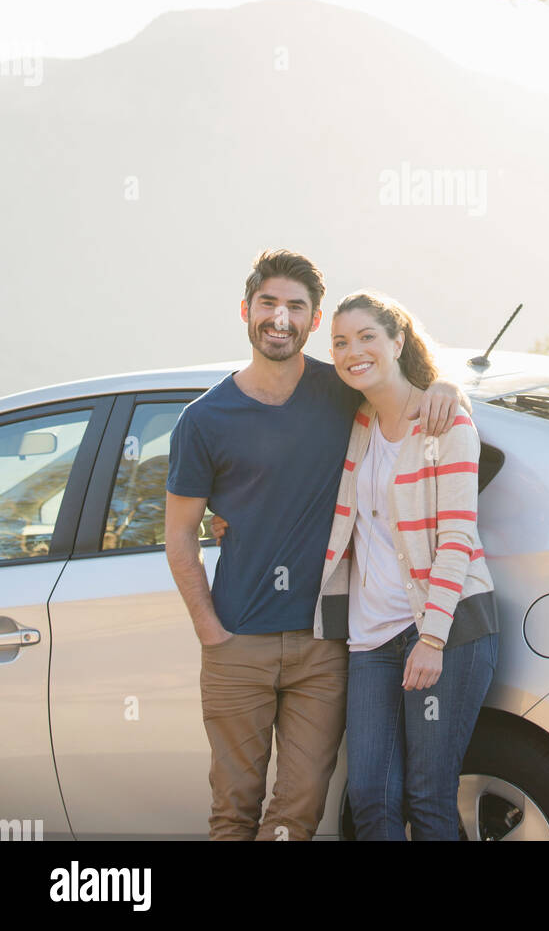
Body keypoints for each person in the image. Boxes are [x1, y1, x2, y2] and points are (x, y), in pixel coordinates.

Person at [164, 248, 467, 842]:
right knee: (234, 808)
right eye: (269, 304)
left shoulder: (342, 391)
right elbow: (179, 536)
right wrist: (210, 631)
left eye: (295, 307)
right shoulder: (203, 420)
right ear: (246, 310)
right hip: (236, 644)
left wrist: (448, 387)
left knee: (300, 807)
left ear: (313, 319)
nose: (281, 318)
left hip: (325, 646)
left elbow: (405, 393)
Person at [315, 289, 499, 840]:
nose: (354, 352)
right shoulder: (358, 423)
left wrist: (433, 638)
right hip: (370, 639)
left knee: (429, 796)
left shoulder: (447, 427)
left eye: (368, 337)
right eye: (341, 342)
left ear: (398, 341)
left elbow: (457, 537)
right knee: (371, 796)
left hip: (447, 631)